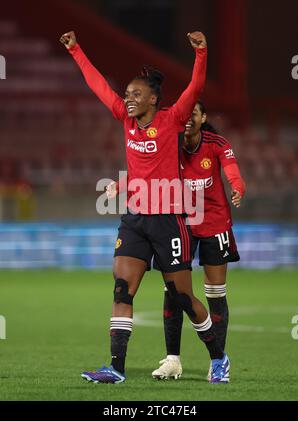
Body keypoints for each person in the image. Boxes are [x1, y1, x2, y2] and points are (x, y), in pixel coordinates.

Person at [60, 31, 229, 384]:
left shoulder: (173, 118)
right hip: (135, 220)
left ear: (154, 98)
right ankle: (116, 369)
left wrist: (201, 53)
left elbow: (195, 89)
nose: (129, 99)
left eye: (137, 94)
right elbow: (97, 86)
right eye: (127, 94)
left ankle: (218, 358)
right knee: (122, 289)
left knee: (183, 297)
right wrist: (76, 49)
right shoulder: (125, 118)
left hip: (169, 223)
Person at [151, 101, 246, 382]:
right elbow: (147, 171)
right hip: (180, 224)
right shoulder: (172, 143)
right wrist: (121, 184)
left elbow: (233, 172)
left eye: (194, 114)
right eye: (185, 115)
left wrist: (237, 188)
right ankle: (173, 361)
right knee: (174, 292)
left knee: (215, 295)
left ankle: (217, 361)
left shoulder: (216, 143)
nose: (188, 119)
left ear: (203, 117)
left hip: (215, 224)